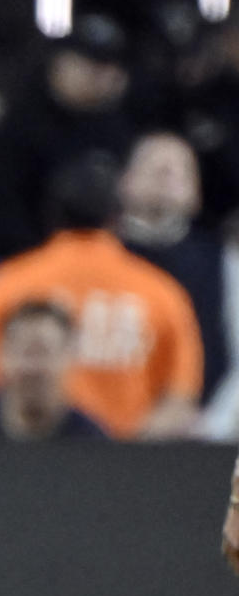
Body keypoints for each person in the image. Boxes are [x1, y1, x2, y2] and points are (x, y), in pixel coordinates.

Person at [0, 154, 203, 440]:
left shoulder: (7, 283)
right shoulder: (162, 292)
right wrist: (128, 452)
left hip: (24, 460)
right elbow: (181, 399)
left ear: (51, 215)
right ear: (117, 218)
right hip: (127, 470)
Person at [0, 15, 134, 261]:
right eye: (88, 64)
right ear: (59, 64)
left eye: (107, 67)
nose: (99, 76)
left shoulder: (118, 130)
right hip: (28, 262)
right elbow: (1, 210)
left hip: (102, 263)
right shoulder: (19, 126)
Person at [117, 131, 229, 398]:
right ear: (124, 181)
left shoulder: (221, 261)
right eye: (152, 165)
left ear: (197, 193)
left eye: (180, 169)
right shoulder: (100, 251)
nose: (166, 172)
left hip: (203, 421)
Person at [0, 300, 102, 439]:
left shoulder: (89, 438)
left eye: (44, 352)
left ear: (69, 356)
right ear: (2, 354)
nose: (33, 367)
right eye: (25, 352)